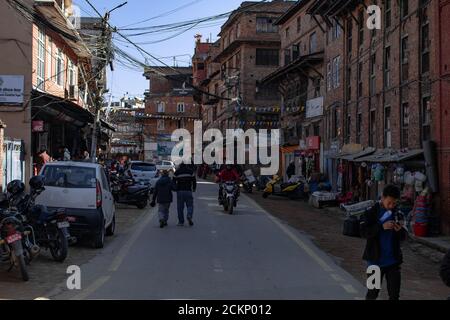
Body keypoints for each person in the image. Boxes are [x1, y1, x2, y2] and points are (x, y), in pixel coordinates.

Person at [360, 184, 407, 300]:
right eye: (389, 202)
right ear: (382, 198)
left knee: (394, 295)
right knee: (372, 294)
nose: (391, 206)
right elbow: (364, 232)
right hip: (374, 262)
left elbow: (404, 237)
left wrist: (400, 230)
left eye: (394, 203)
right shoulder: (371, 212)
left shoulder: (398, 214)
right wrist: (381, 227)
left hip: (393, 262)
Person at [173, 162, 197, 227]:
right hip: (188, 191)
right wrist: (194, 188)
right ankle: (189, 215)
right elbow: (194, 180)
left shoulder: (177, 172)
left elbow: (173, 181)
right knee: (190, 205)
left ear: (180, 165)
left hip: (180, 191)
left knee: (180, 207)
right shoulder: (190, 171)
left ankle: (181, 222)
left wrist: (175, 188)